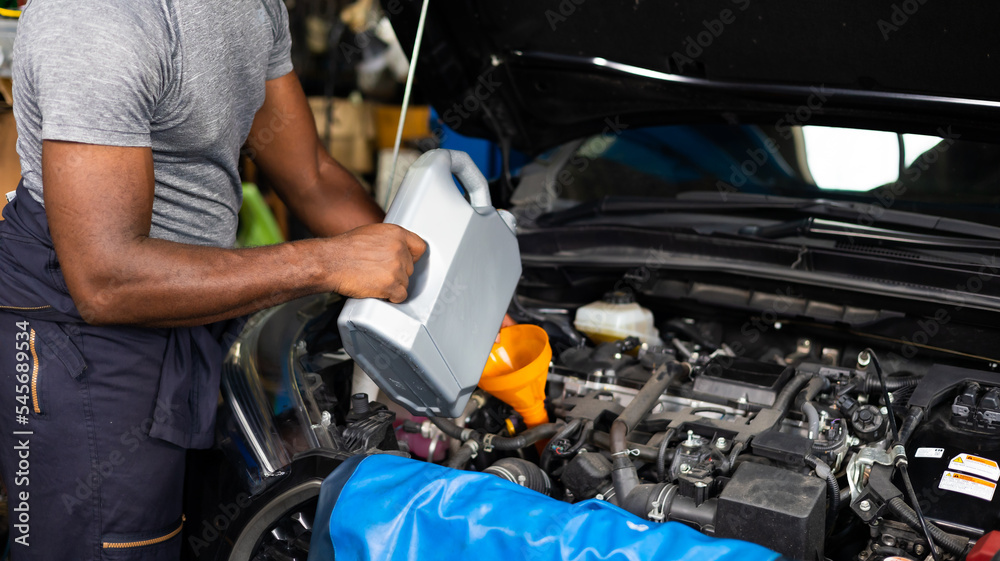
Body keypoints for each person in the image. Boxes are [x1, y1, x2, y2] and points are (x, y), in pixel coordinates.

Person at [0, 1, 426, 559]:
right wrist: (329, 262)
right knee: (113, 546)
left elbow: (313, 177)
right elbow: (106, 280)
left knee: (217, 533)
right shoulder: (98, 17)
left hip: (195, 296)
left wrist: (432, 290)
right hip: (82, 330)